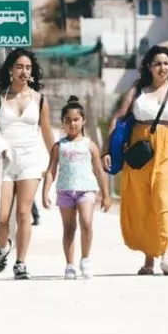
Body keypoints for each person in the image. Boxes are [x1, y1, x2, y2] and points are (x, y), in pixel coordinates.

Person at [103, 46, 168, 275]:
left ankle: (166, 252)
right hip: (140, 150)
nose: (162, 68)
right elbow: (118, 118)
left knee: (165, 199)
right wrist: (108, 150)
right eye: (157, 63)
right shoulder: (137, 91)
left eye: (166, 63)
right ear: (149, 67)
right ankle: (148, 258)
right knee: (144, 202)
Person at [0, 48, 55, 280]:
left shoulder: (40, 100)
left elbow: (46, 133)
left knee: (24, 213)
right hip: (4, 162)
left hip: (30, 161)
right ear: (11, 71)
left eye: (28, 67)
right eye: (19, 67)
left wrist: (55, 161)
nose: (24, 71)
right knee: (0, 216)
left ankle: (21, 263)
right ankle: (4, 247)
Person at [42, 95, 111, 279]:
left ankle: (85, 259)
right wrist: (45, 191)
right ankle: (70, 265)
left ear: (83, 121)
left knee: (86, 223)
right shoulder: (59, 146)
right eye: (67, 120)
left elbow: (99, 170)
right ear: (62, 123)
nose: (72, 124)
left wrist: (106, 195)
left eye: (75, 120)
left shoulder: (90, 145)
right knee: (69, 228)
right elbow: (51, 171)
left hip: (86, 189)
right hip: (65, 190)